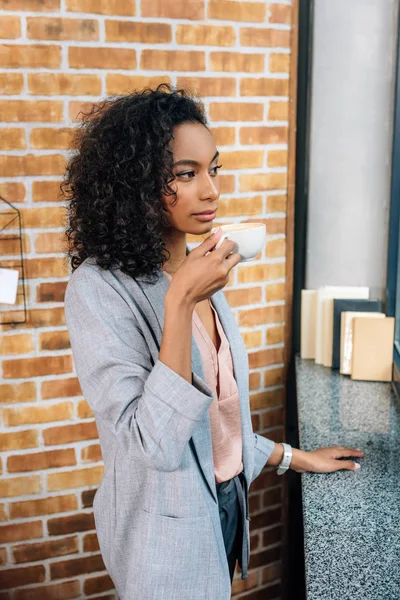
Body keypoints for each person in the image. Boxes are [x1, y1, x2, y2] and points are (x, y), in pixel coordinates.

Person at [62, 84, 364, 600]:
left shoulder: (198, 265)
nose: (211, 191)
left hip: (224, 509)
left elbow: (219, 427)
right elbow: (152, 444)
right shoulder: (98, 288)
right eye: (186, 173)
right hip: (162, 537)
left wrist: (297, 459)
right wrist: (179, 304)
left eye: (213, 169)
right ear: (133, 183)